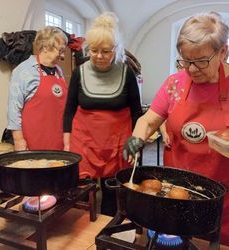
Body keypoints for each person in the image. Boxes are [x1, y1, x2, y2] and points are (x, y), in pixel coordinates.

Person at [123, 12, 229, 249]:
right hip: (178, 191)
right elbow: (148, 120)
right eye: (185, 60)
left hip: (226, 195)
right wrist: (136, 138)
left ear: (223, 52)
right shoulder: (174, 83)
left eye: (200, 61)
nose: (191, 69)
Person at [63, 12, 142, 217]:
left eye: (105, 51)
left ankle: (109, 224)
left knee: (112, 189)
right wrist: (66, 144)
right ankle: (84, 229)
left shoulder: (127, 73)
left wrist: (136, 144)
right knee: (84, 190)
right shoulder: (79, 72)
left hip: (117, 142)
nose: (99, 56)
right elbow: (69, 110)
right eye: (94, 50)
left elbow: (136, 112)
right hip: (85, 141)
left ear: (116, 49)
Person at [7, 26, 68, 151]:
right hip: (34, 141)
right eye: (60, 50)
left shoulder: (59, 71)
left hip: (58, 140)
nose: (63, 56)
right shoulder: (24, 70)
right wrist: (18, 139)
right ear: (45, 47)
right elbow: (14, 109)